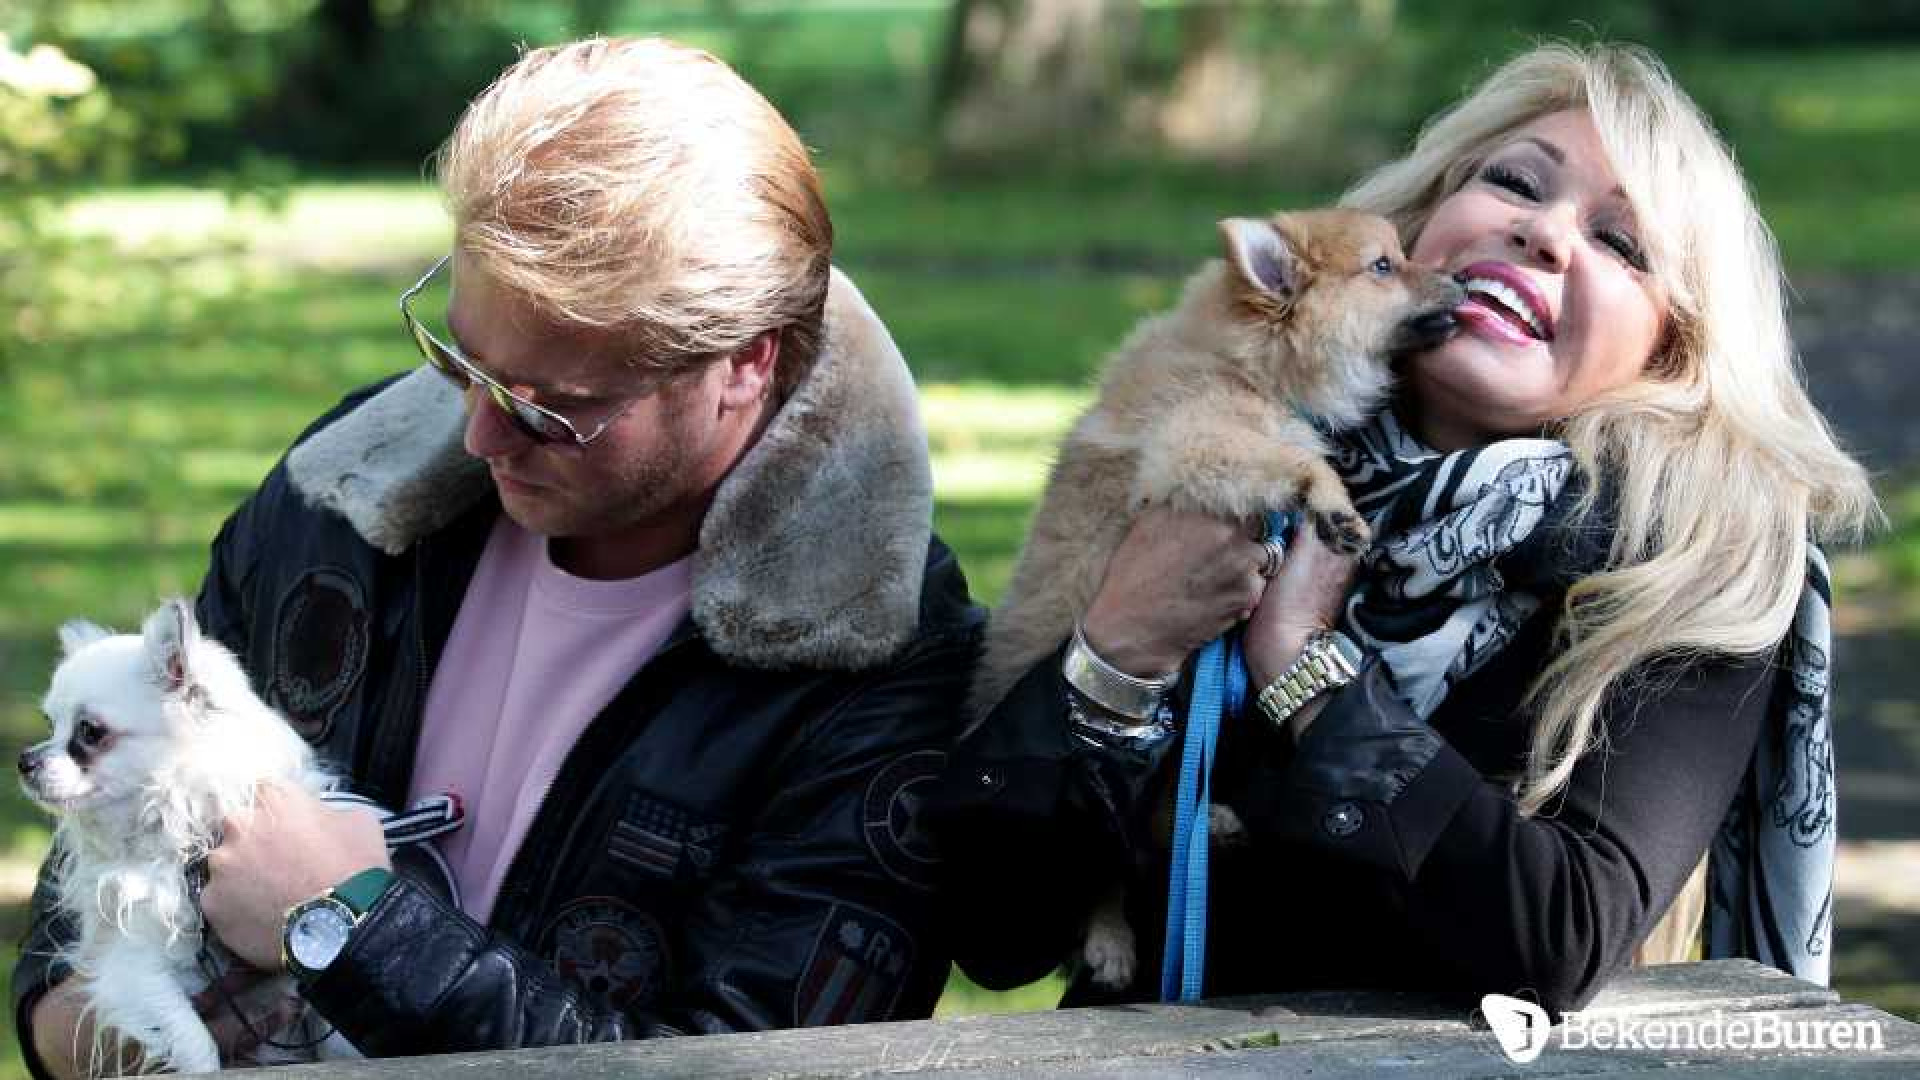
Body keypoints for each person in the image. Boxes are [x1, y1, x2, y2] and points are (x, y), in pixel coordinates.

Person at [14, 36, 981, 1075]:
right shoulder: (335, 496)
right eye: (460, 356)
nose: (478, 434)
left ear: (741, 365)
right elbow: (66, 956)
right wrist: (127, 1034)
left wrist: (355, 927)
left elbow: (758, 1063)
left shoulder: (878, 659)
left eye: (551, 408)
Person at [928, 42, 1876, 1018]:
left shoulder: (1685, 566)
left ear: (1671, 350)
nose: (1545, 235)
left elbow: (1560, 939)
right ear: (1421, 222)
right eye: (1515, 182)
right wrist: (1118, 647)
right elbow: (997, 936)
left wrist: (1301, 666)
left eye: (1621, 244)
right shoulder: (1218, 472)